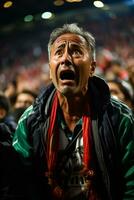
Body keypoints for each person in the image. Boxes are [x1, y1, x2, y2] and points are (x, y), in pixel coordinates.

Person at [10, 23, 134, 200]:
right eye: (58, 52)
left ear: (92, 67)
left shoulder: (119, 118)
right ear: (51, 70)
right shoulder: (30, 121)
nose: (65, 58)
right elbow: (19, 185)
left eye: (76, 51)